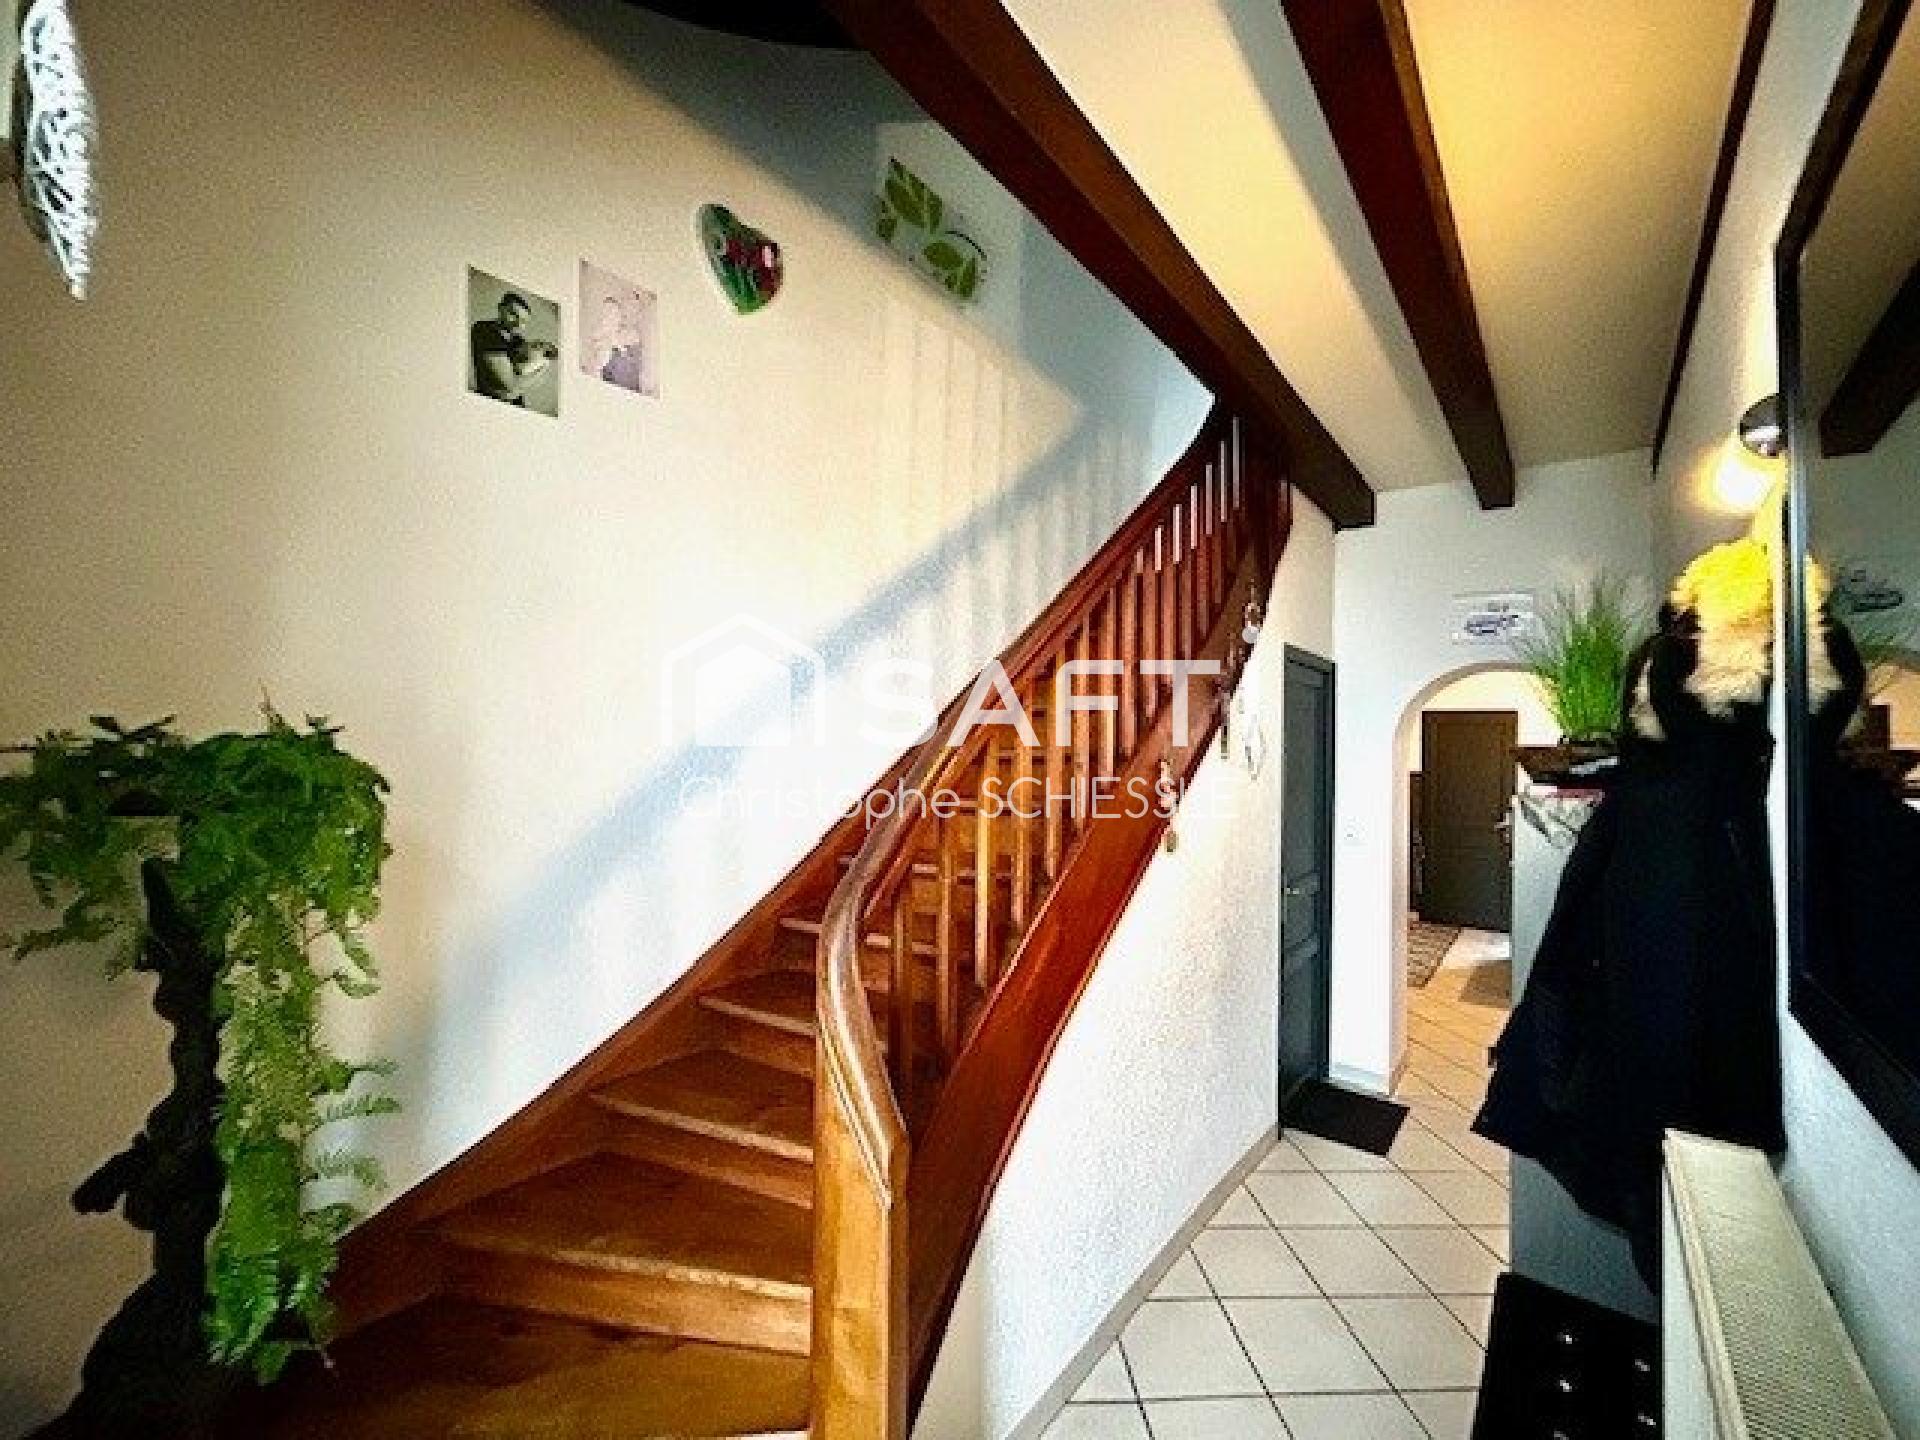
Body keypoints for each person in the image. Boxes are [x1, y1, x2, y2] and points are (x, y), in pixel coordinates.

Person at [470, 292, 557, 407]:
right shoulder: (484, 330)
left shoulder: (518, 339)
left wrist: (540, 367)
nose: (518, 324)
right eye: (513, 314)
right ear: (500, 308)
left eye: (523, 321)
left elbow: (526, 376)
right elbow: (511, 386)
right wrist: (541, 371)